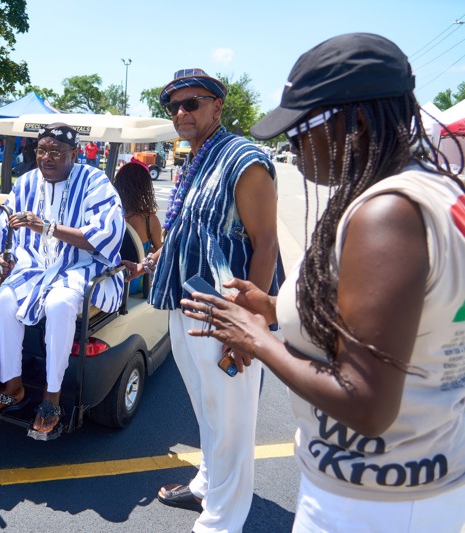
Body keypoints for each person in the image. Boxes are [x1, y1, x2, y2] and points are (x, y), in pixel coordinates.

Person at [181, 34, 465, 532]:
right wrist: (273, 306)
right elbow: (387, 320)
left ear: (356, 122)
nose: (292, 146)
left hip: (374, 503)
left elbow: (365, 402)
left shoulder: (387, 215)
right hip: (407, 490)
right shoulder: (425, 187)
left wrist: (257, 339)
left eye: (299, 129)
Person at [124, 68, 281, 532]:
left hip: (225, 312)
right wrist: (150, 262)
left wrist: (248, 327)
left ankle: (221, 521)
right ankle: (208, 486)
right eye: (173, 106)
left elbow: (266, 243)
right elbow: (190, 232)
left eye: (191, 103)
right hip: (185, 303)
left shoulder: (243, 158)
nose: (180, 113)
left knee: (231, 421)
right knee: (207, 410)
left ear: (217, 106)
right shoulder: (196, 159)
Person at [0, 122, 125, 435]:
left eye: (57, 152)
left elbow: (104, 237)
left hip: (83, 265)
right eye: (42, 150)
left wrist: (45, 227)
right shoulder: (27, 182)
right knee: (5, 299)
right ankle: (13, 385)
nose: (47, 158)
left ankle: (52, 396)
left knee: (59, 303)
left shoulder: (95, 182)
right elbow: (7, 226)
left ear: (74, 154)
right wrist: (5, 258)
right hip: (36, 266)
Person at [113, 157, 163, 294]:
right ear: (145, 189)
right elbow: (162, 254)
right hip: (135, 281)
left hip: (111, 278)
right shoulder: (149, 220)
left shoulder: (110, 213)